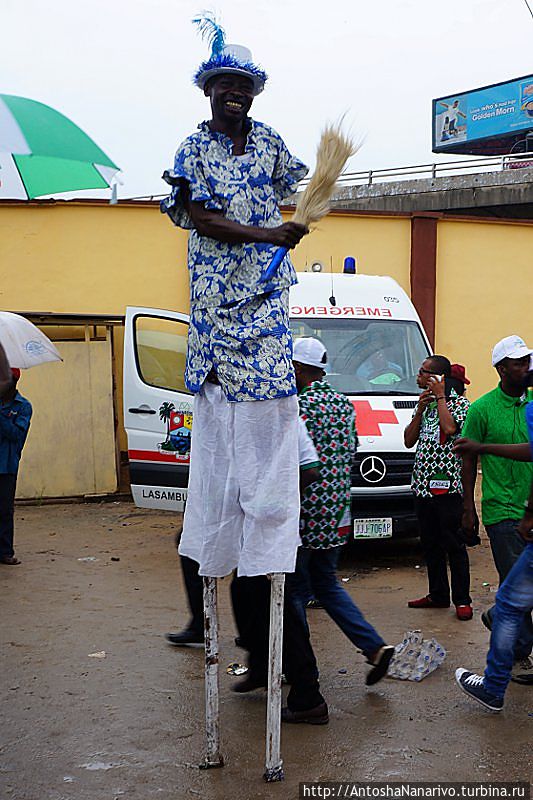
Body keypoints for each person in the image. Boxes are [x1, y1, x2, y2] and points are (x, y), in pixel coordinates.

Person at [288, 337, 395, 685]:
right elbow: (351, 450)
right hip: (337, 512)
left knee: (292, 593)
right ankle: (374, 647)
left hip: (304, 513)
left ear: (300, 369)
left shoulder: (297, 406)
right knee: (328, 586)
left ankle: (297, 668)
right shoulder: (344, 404)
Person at [165, 418, 321, 647]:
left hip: (261, 516)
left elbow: (310, 469)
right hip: (242, 511)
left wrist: (274, 498)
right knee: (244, 582)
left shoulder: (280, 414)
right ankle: (250, 643)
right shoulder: (242, 413)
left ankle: (289, 662)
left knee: (269, 589)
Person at [455, 372, 533, 708]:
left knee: (507, 608)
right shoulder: (485, 408)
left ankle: (493, 688)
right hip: (502, 511)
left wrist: (530, 512)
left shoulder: (529, 406)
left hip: (525, 517)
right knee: (510, 604)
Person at [404, 355, 472, 620]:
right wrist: (420, 411)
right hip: (422, 487)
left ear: (438, 378)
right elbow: (409, 440)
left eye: (424, 372)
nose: (418, 376)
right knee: (430, 544)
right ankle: (438, 594)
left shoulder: (461, 405)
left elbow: (450, 428)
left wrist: (441, 398)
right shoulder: (423, 405)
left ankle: (462, 600)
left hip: (449, 489)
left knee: (454, 545)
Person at [0, 342, 32, 565]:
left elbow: (15, 434)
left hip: (6, 465)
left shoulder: (23, 407)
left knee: (4, 510)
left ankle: (5, 552)